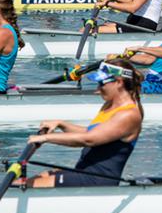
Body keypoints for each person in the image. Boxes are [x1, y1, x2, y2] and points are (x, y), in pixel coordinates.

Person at [25, 59, 144, 187]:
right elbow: (91, 132)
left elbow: (89, 140)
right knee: (41, 176)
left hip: (98, 181)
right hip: (84, 172)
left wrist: (45, 138)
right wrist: (61, 124)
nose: (97, 90)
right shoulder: (109, 105)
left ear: (119, 82)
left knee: (26, 185)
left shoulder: (129, 114)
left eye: (101, 83)